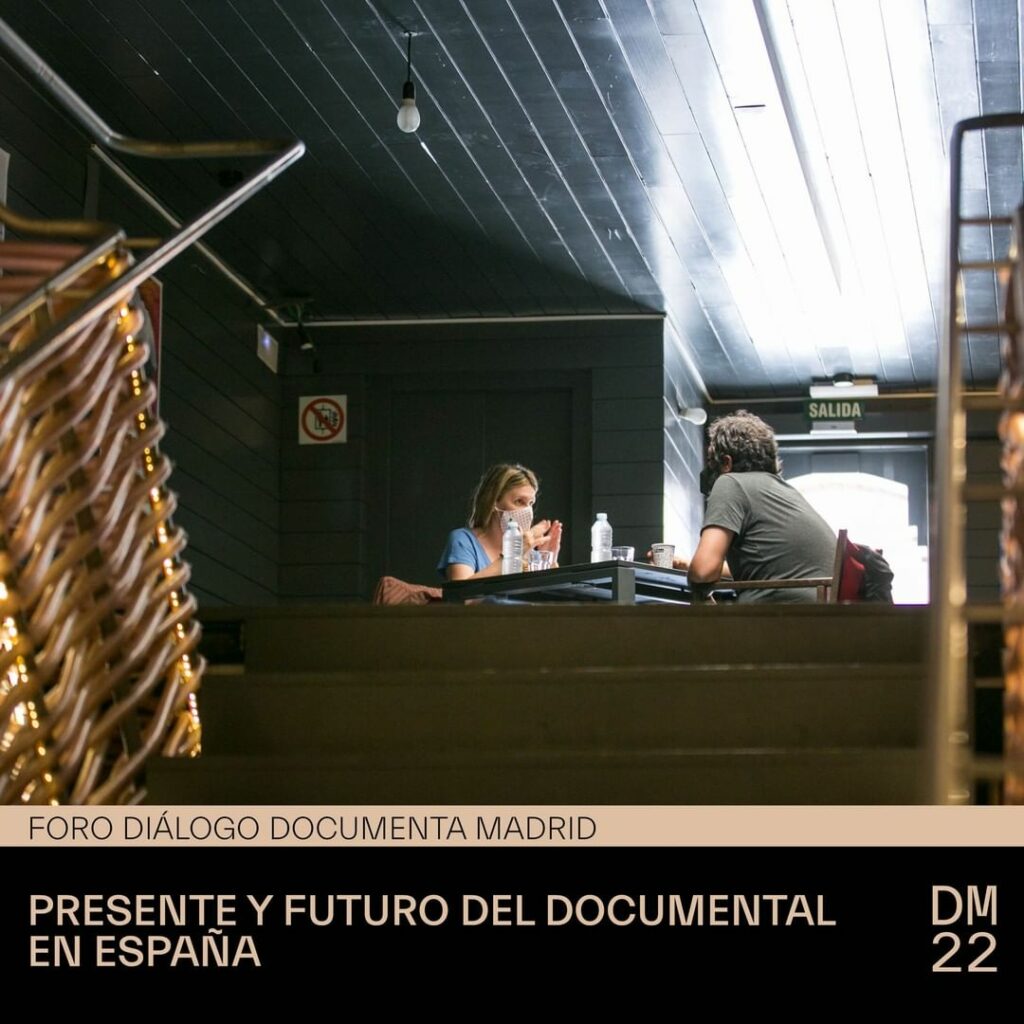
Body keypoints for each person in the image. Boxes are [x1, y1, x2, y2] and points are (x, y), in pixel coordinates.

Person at [684, 411, 836, 602]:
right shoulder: (782, 491)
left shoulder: (730, 482)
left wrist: (698, 580)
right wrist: (686, 565)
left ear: (726, 462)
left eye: (711, 461)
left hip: (784, 613)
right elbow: (772, 569)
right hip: (823, 611)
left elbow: (702, 572)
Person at [437, 463, 563, 581]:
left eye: (530, 503)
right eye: (519, 501)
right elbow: (461, 594)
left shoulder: (527, 551)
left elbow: (542, 595)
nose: (527, 510)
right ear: (493, 501)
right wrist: (512, 555)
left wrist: (548, 564)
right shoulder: (464, 540)